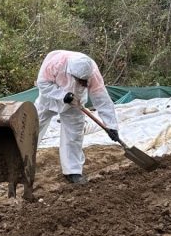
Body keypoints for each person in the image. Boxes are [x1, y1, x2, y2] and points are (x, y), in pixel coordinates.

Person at [34, 50, 119, 185]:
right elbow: (42, 83)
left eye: (84, 81)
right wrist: (63, 95)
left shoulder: (93, 72)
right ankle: (19, 160)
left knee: (74, 135)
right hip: (49, 99)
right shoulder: (56, 63)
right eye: (80, 80)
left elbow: (101, 99)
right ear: (71, 73)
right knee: (32, 127)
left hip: (75, 103)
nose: (83, 82)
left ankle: (73, 171)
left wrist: (111, 125)